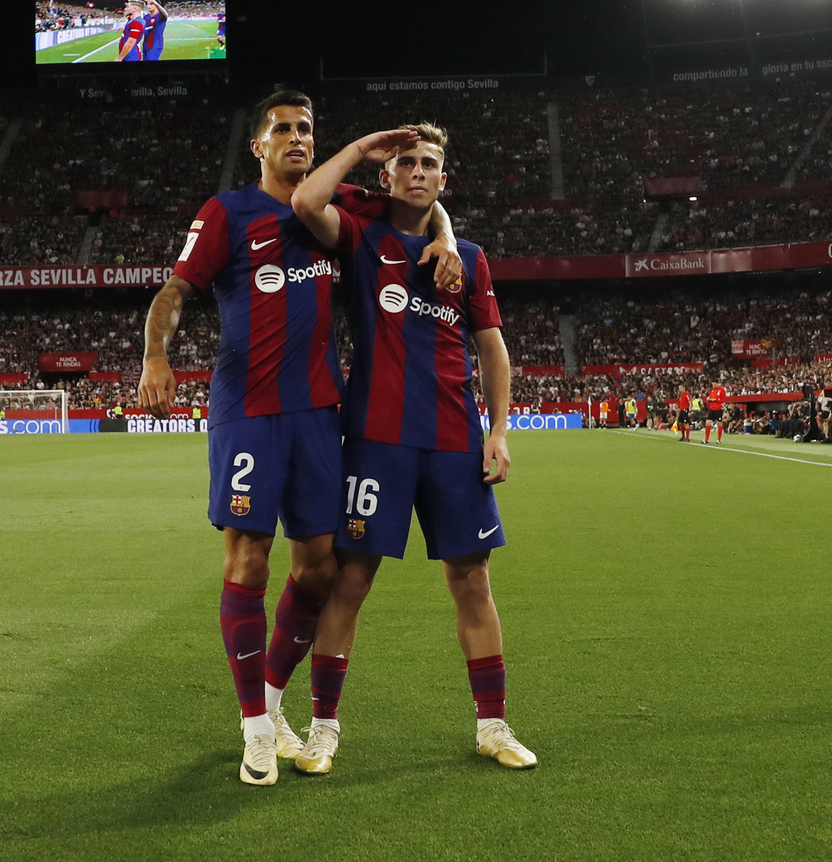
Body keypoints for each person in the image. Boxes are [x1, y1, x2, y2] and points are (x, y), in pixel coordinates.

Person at [136, 90, 461, 787]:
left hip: (320, 413)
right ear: (258, 145)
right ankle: (257, 728)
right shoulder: (227, 212)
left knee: (318, 569)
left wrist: (446, 238)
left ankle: (273, 702)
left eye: (306, 128)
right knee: (249, 559)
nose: (295, 137)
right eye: (281, 128)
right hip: (247, 410)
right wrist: (154, 355)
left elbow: (421, 198)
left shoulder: (341, 202)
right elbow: (175, 290)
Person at [290, 122, 535, 774]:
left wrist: (500, 431)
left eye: (430, 163)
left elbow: (492, 348)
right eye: (407, 163)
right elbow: (307, 204)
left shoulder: (471, 259)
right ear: (387, 176)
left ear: (443, 180)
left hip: (455, 441)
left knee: (473, 580)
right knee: (351, 581)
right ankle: (323, 729)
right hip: (375, 441)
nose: (420, 171)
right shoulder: (364, 240)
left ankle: (493, 725)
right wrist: (368, 144)